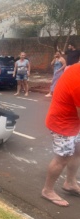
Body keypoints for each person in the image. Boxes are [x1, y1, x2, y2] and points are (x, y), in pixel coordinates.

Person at [41, 63, 80, 207]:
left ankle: (70, 183)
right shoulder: (78, 81)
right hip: (63, 123)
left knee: (77, 151)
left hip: (74, 121)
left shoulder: (76, 67)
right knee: (62, 158)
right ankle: (47, 190)